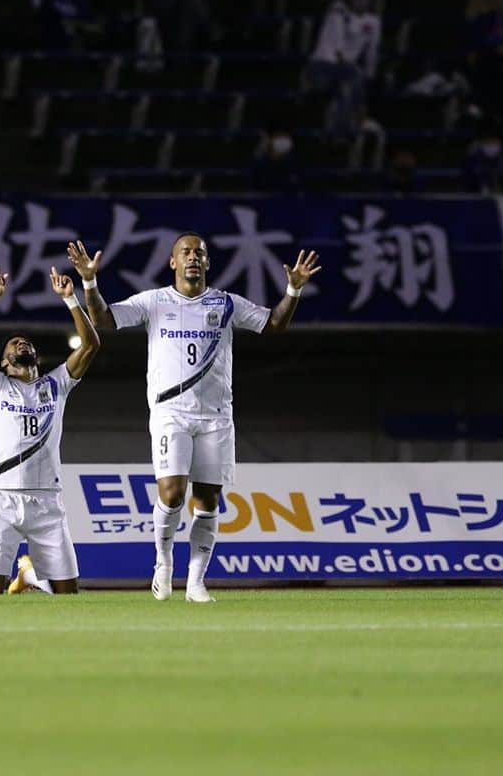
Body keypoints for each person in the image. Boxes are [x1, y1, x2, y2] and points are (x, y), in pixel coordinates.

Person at [67, 235, 321, 602]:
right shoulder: (154, 302)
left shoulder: (226, 303)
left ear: (208, 263)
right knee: (171, 493)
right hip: (171, 411)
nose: (193, 258)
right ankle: (163, 562)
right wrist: (89, 281)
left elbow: (274, 324)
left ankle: (197, 582)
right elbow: (104, 320)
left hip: (216, 416)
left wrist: (293, 291)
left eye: (199, 253)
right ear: (172, 262)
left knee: (207, 500)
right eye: (185, 253)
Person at [0, 263, 99, 596]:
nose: (20, 344)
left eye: (24, 342)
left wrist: (70, 299)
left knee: (67, 595)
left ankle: (27, 579)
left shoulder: (57, 385)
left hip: (48, 503)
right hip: (3, 500)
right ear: (4, 364)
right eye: (12, 345)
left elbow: (91, 344)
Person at [305, 0, 381, 139]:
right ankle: (353, 123)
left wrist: (370, 75)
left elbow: (372, 51)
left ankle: (345, 128)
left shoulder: (373, 21)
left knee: (350, 85)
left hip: (346, 71)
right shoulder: (338, 11)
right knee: (352, 77)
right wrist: (354, 70)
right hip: (322, 66)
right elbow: (337, 47)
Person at [462, 121, 503, 194]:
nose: (491, 145)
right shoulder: (473, 160)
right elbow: (467, 183)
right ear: (480, 143)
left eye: (493, 141)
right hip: (479, 199)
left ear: (501, 143)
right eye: (487, 142)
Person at [250, 121, 303, 194]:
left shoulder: (291, 160)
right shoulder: (262, 159)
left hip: (284, 192)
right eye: (277, 135)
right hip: (264, 191)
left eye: (283, 135)